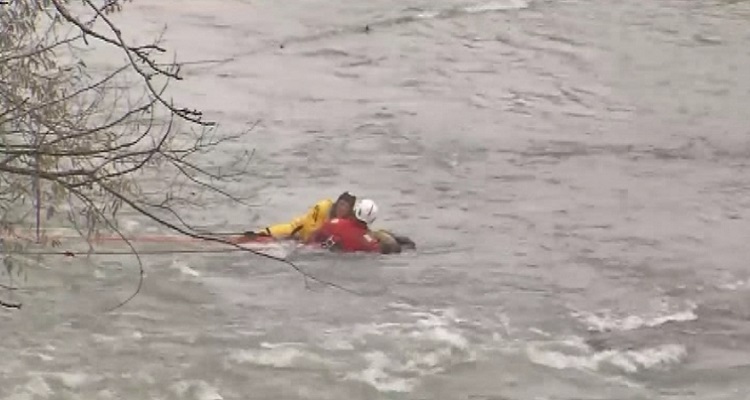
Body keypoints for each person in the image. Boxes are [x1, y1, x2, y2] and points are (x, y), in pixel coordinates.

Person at [244, 191, 357, 243]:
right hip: (295, 231)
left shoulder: (349, 219)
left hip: (303, 241)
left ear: (350, 209)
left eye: (346, 206)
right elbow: (309, 233)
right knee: (259, 237)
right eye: (341, 204)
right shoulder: (323, 207)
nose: (341, 208)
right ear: (336, 203)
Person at [307, 198, 382, 253]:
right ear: (372, 220)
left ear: (355, 209)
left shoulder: (335, 223)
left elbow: (313, 237)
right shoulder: (372, 244)